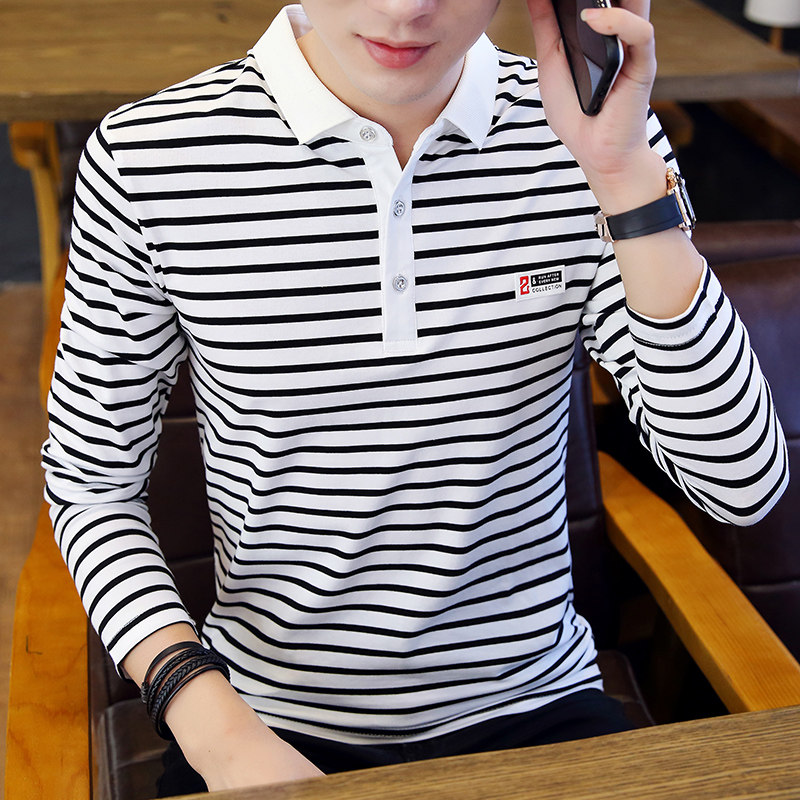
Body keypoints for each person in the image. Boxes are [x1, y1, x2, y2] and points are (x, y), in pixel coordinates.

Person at [42, 0, 788, 795]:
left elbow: (739, 483)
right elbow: (91, 487)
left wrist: (624, 178)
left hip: (536, 708)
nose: (405, 9)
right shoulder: (148, 155)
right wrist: (216, 730)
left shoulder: (596, 138)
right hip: (261, 717)